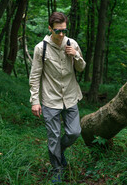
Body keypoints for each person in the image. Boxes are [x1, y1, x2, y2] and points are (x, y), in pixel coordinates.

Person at [29, 12, 86, 182]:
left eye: (64, 30)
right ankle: (57, 169)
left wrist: (75, 54)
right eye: (57, 31)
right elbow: (35, 76)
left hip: (70, 96)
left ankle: (58, 151)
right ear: (50, 29)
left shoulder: (72, 43)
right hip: (50, 99)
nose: (61, 35)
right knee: (53, 137)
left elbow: (81, 67)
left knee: (75, 132)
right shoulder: (41, 48)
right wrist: (35, 101)